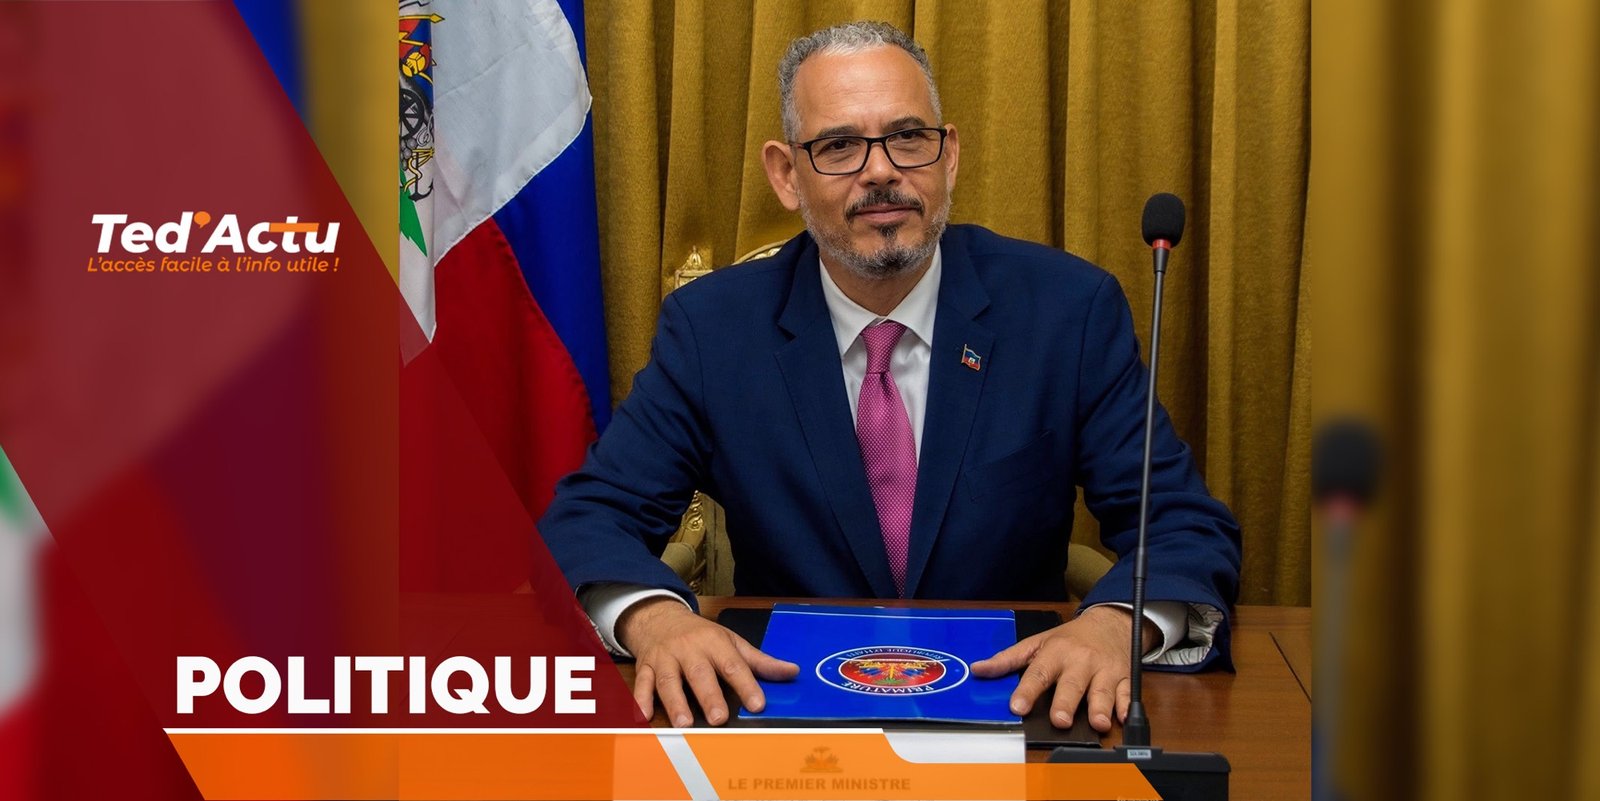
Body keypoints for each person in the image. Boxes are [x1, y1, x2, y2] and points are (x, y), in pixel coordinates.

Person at [538, 20, 1241, 734]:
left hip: (1016, 710)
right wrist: (654, 618)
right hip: (784, 719)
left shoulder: (1066, 311)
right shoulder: (714, 329)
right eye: (839, 146)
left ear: (949, 156)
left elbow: (1181, 523)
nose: (880, 171)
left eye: (907, 137)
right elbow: (591, 518)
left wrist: (1117, 624)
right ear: (786, 175)